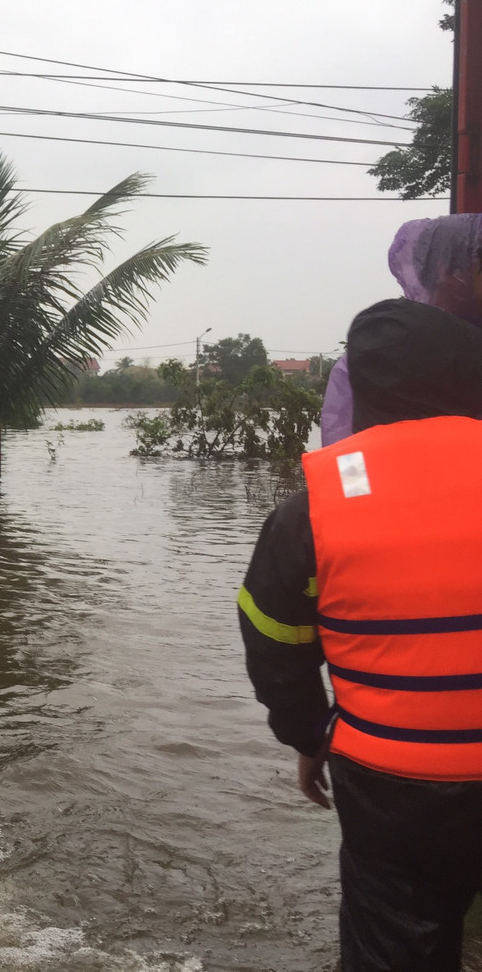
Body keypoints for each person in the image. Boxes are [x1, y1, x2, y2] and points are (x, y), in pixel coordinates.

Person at [238, 296, 482, 971]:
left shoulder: (311, 510)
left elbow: (272, 642)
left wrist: (311, 734)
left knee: (395, 946)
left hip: (392, 785)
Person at [320, 213, 482, 444]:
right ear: (445, 268)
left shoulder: (375, 344)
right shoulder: (385, 348)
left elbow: (343, 456)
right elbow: (346, 452)